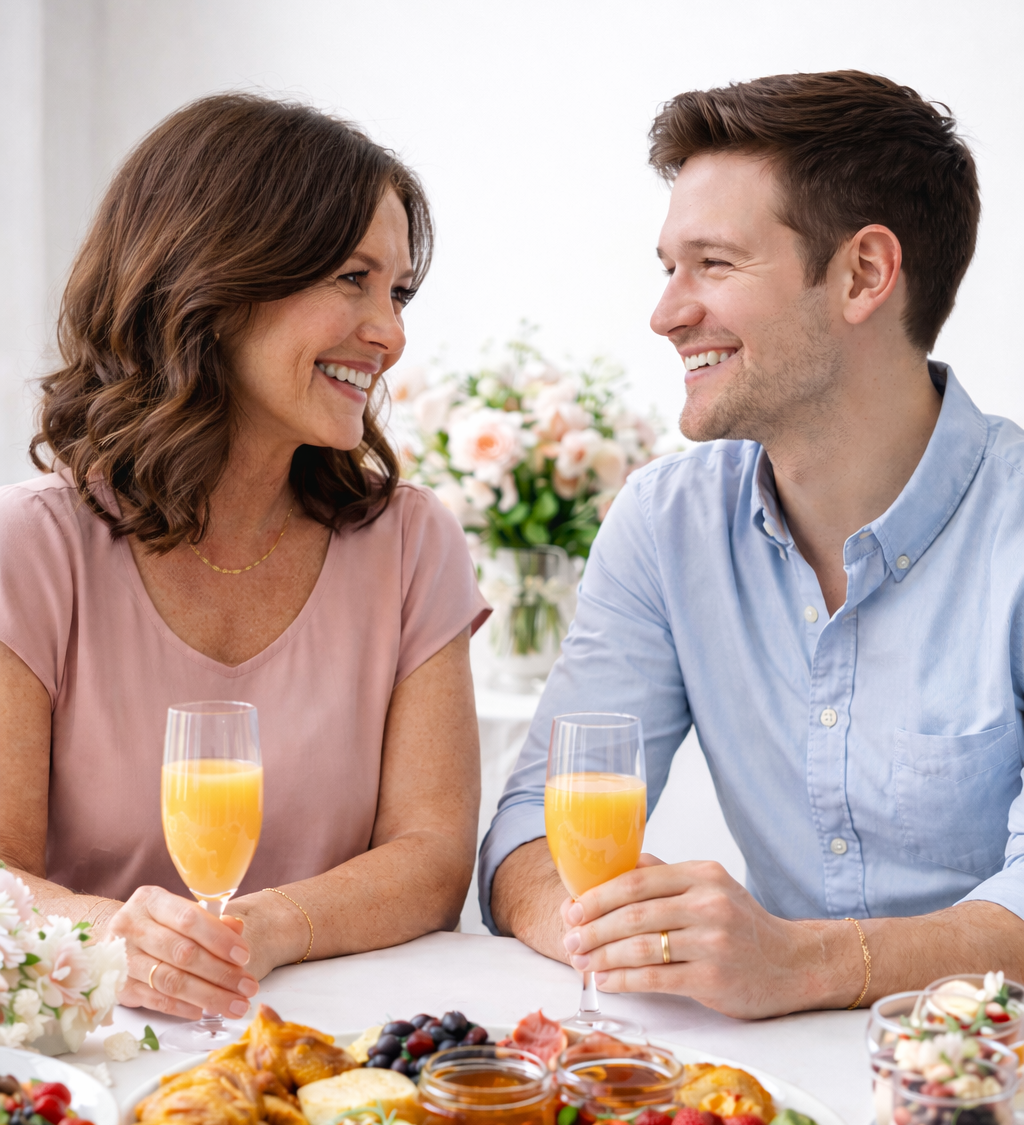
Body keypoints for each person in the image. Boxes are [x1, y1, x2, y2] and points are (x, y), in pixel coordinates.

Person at [481, 71, 1023, 1017]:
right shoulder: (664, 524)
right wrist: (631, 927)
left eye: (715, 265)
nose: (667, 313)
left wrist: (805, 963)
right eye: (667, 268)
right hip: (773, 1094)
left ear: (863, 275)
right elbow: (530, 835)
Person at [0, 94, 487, 1022]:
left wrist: (262, 928)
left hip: (331, 1053)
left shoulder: (411, 544)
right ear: (216, 286)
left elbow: (431, 857)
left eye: (398, 291)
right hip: (98, 1054)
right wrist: (119, 937)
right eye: (352, 278)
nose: (390, 333)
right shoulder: (29, 549)